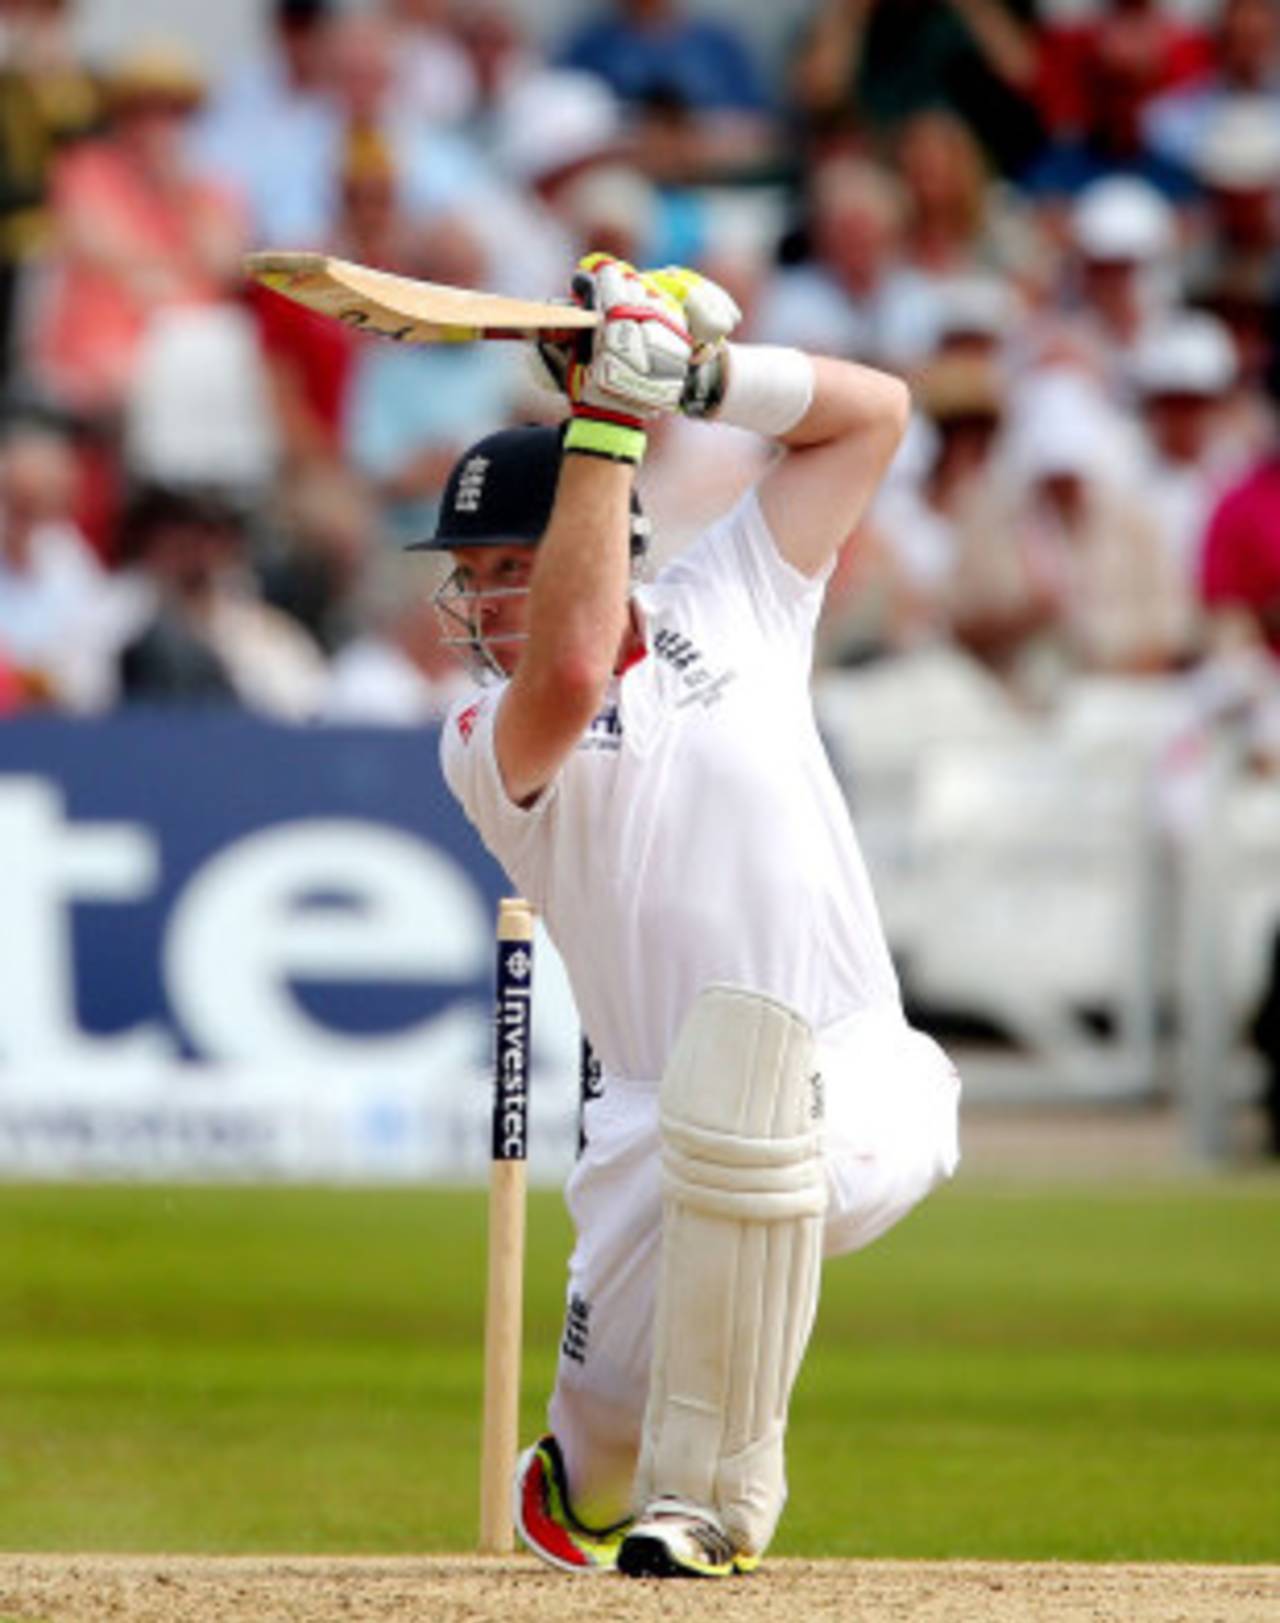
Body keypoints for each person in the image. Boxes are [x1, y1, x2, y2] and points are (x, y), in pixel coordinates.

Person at [420, 254, 961, 1577]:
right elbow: (568, 658)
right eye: (472, 570)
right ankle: (596, 1478)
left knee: (760, 1120)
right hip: (645, 1129)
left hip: (863, 1070)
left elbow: (874, 412)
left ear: (598, 534)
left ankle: (711, 1508)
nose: (485, 596)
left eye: (512, 562)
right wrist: (611, 415)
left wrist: (699, 376)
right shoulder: (485, 736)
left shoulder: (740, 602)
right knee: (602, 1460)